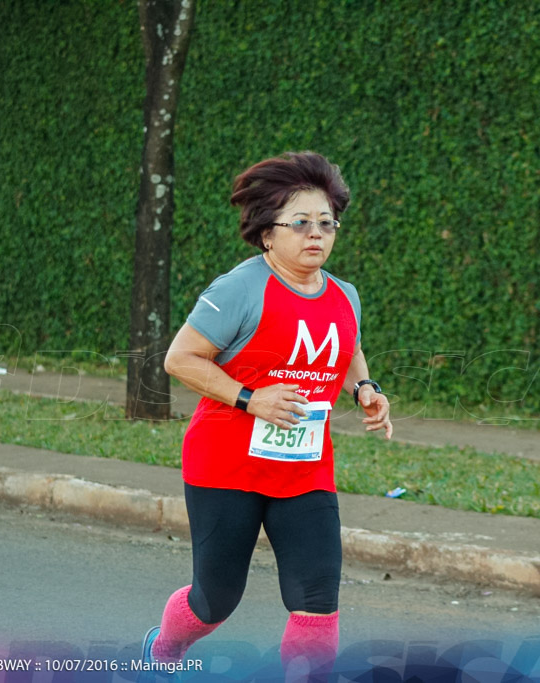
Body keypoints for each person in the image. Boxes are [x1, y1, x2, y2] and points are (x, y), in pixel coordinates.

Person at [139, 151, 393, 682]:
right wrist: (252, 398)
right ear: (266, 234)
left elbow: (348, 347)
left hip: (304, 470)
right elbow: (180, 359)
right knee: (216, 600)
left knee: (317, 597)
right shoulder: (240, 288)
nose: (316, 234)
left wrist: (365, 388)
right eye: (299, 223)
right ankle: (162, 650)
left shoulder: (345, 296)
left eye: (326, 223)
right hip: (225, 467)